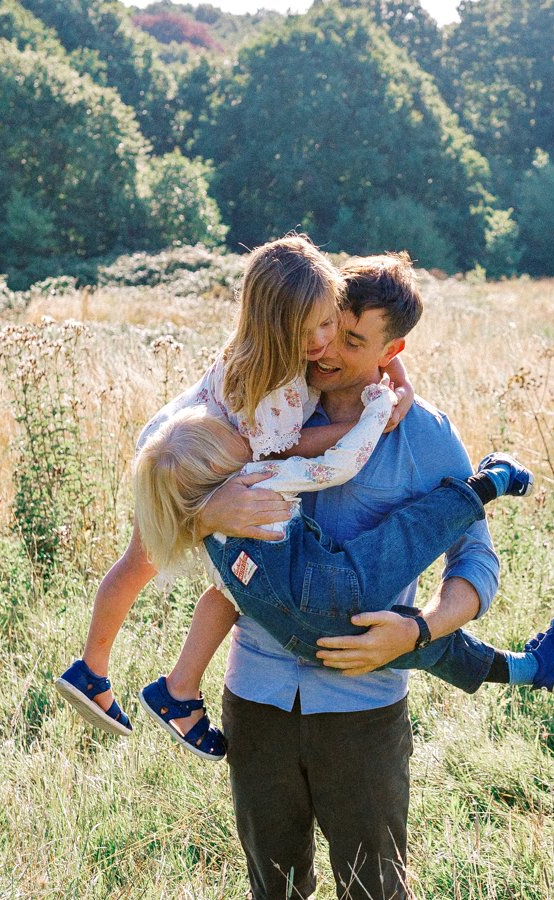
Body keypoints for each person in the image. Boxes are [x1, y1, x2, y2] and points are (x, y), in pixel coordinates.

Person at [200, 253, 511, 899]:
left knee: (373, 889)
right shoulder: (264, 406)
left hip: (363, 706)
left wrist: (419, 630)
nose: (325, 350)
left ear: (392, 349)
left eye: (352, 340)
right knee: (273, 888)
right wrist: (210, 507)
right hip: (255, 697)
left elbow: (475, 559)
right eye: (323, 329)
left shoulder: (425, 437)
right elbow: (168, 481)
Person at [55, 235, 415, 751]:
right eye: (307, 329)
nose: (322, 340)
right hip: (192, 463)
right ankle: (154, 686)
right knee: (223, 581)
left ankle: (102, 670)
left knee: (149, 563)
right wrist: (361, 422)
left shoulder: (277, 341)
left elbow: (380, 348)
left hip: (179, 438)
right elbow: (281, 451)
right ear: (277, 326)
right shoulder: (276, 384)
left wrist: (400, 381)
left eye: (328, 321)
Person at [130, 392, 554, 759]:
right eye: (233, 438)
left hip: (309, 640)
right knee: (410, 536)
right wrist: (377, 411)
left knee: (431, 650)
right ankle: (494, 481)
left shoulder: (206, 533)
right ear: (222, 461)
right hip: (337, 591)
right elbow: (341, 466)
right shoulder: (261, 480)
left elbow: (218, 599)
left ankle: (529, 669)